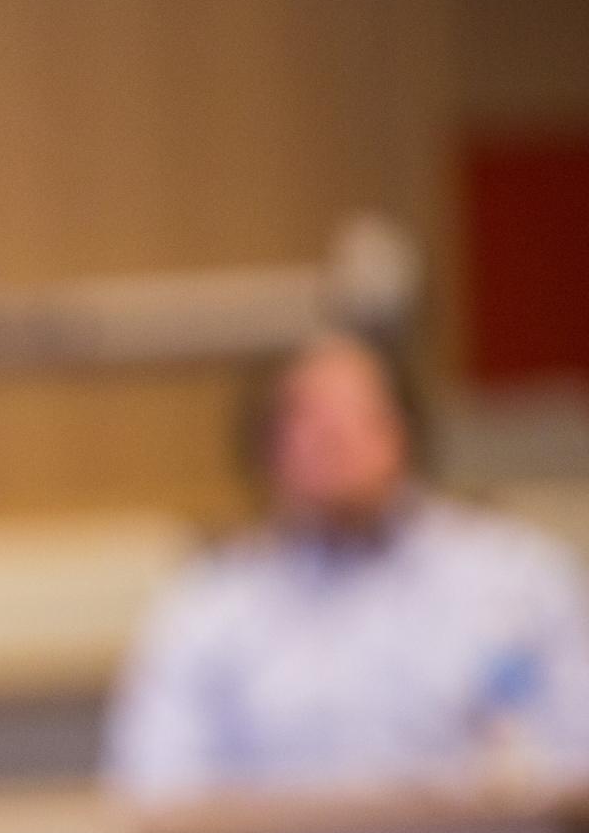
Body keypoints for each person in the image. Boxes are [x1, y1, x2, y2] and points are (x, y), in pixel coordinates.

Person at [105, 331, 589, 802]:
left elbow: (574, 758)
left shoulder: (519, 579)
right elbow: (155, 792)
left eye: (356, 414)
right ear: (264, 447)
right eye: (306, 418)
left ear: (404, 429)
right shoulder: (207, 609)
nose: (332, 437)